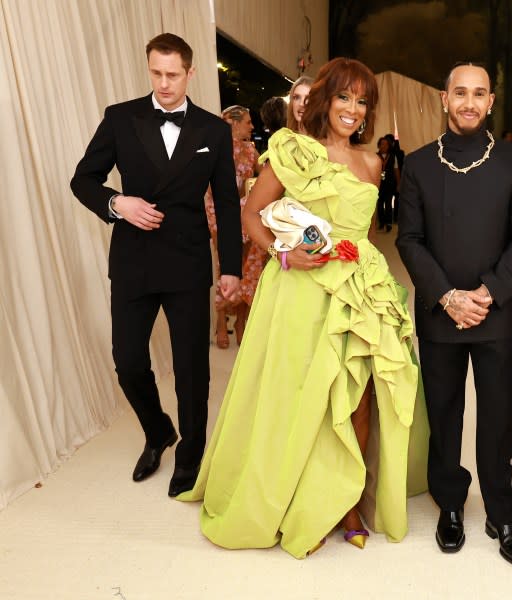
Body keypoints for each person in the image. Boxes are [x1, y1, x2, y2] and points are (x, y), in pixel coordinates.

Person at [178, 57, 428, 559]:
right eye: (344, 97)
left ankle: (349, 504)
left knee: (359, 396)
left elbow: (366, 231)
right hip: (301, 290)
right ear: (323, 100)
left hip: (359, 286)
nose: (353, 110)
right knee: (302, 396)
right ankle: (298, 499)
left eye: (362, 102)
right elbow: (251, 214)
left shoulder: (374, 163)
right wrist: (283, 253)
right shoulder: (294, 151)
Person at [70, 33, 241, 497]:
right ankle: (157, 429)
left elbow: (226, 204)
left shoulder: (213, 130)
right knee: (127, 362)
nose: (164, 84)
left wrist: (230, 267)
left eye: (172, 74)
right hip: (132, 261)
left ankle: (191, 455)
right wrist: (117, 202)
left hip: (186, 262)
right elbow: (82, 179)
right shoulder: (121, 118)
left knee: (192, 368)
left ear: (190, 73)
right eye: (156, 73)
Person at [396, 63, 512, 567]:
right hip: (440, 312)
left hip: (495, 311)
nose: (469, 102)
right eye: (461, 93)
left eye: (479, 94)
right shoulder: (416, 164)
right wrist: (448, 296)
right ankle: (450, 503)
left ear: (492, 101)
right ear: (444, 98)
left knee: (499, 415)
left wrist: (489, 292)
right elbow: (407, 239)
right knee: (444, 412)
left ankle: (503, 511)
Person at [239, 77, 313, 309]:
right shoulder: (283, 149)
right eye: (297, 98)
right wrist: (280, 251)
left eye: (308, 98)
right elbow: (251, 211)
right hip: (286, 246)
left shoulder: (333, 148)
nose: (301, 104)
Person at [206, 105, 259, 349]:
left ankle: (240, 322)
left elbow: (259, 180)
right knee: (224, 267)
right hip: (219, 215)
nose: (252, 126)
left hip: (245, 216)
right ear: (234, 123)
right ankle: (220, 322)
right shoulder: (215, 147)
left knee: (245, 269)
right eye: (248, 122)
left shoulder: (251, 151)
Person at [375, 136, 399, 231]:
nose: (383, 146)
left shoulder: (393, 157)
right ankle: (381, 222)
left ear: (389, 146)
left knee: (388, 203)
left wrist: (398, 183)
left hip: (389, 183)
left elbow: (396, 170)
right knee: (379, 204)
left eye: (385, 144)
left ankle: (389, 223)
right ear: (379, 145)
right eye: (381, 144)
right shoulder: (375, 156)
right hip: (379, 184)